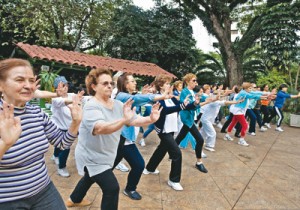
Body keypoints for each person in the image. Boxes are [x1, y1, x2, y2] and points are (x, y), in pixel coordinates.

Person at [66, 69, 161, 209]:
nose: (110, 86)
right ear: (93, 86)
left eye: (111, 83)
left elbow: (133, 119)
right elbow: (100, 128)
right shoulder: (91, 106)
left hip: (107, 154)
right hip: (91, 156)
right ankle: (74, 199)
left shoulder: (117, 104)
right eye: (105, 83)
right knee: (111, 188)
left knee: (89, 177)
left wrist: (150, 119)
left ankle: (74, 199)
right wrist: (123, 120)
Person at [0, 58, 82, 209]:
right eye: (20, 80)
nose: (28, 86)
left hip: (44, 190)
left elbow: (62, 143)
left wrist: (75, 123)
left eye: (31, 80)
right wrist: (5, 144)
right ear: (1, 85)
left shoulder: (36, 112)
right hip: (7, 200)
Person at [114, 73, 168, 200]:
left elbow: (137, 106)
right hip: (123, 138)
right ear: (125, 84)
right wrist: (161, 96)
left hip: (126, 138)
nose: (135, 83)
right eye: (132, 81)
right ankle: (130, 189)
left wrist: (143, 95)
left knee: (106, 167)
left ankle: (81, 190)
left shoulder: (128, 96)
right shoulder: (122, 96)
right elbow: (137, 100)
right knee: (139, 165)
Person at [175, 73, 212, 173]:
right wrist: (195, 103)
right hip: (187, 119)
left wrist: (212, 98)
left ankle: (172, 150)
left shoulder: (194, 92)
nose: (196, 82)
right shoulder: (184, 92)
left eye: (196, 80)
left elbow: (202, 99)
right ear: (187, 82)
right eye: (193, 80)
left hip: (192, 118)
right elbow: (185, 105)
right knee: (200, 140)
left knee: (180, 137)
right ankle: (199, 163)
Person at [50, 76, 85, 177]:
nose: (65, 87)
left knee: (60, 145)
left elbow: (80, 103)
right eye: (62, 85)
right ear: (57, 87)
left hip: (69, 127)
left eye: (66, 85)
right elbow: (65, 102)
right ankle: (62, 168)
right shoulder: (55, 99)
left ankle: (55, 155)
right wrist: (75, 101)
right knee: (65, 147)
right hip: (58, 127)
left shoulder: (72, 95)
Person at [224, 82, 269, 146]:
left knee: (233, 122)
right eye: (250, 88)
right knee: (245, 125)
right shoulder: (243, 93)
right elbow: (252, 95)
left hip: (239, 110)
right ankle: (241, 140)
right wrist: (264, 96)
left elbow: (254, 93)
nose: (251, 89)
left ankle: (227, 135)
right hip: (238, 111)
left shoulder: (245, 92)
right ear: (245, 88)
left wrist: (266, 94)